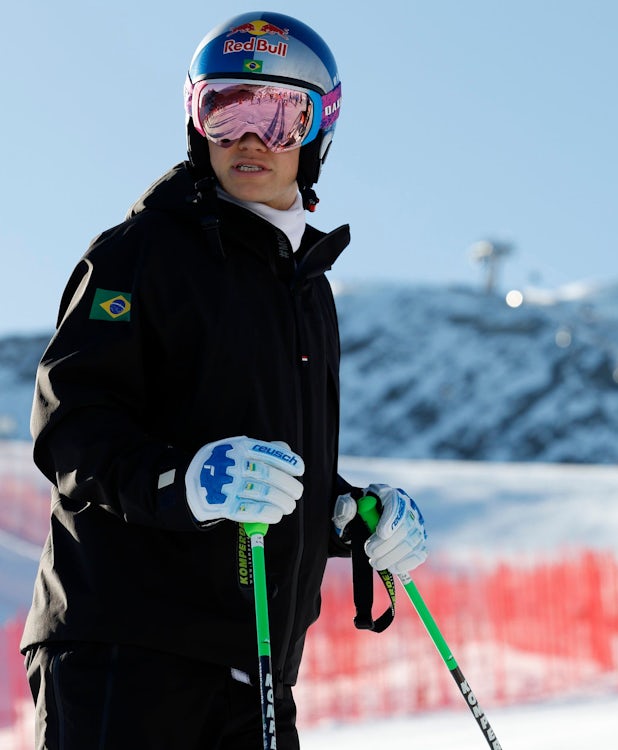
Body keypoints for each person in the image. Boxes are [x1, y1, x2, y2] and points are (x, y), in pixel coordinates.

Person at [21, 11, 428, 749]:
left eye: (279, 115)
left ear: (316, 133)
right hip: (127, 652)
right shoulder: (138, 254)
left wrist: (345, 513)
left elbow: (264, 466)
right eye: (226, 107)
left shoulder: (305, 290)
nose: (250, 137)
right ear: (195, 120)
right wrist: (183, 483)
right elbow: (71, 426)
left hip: (256, 666)